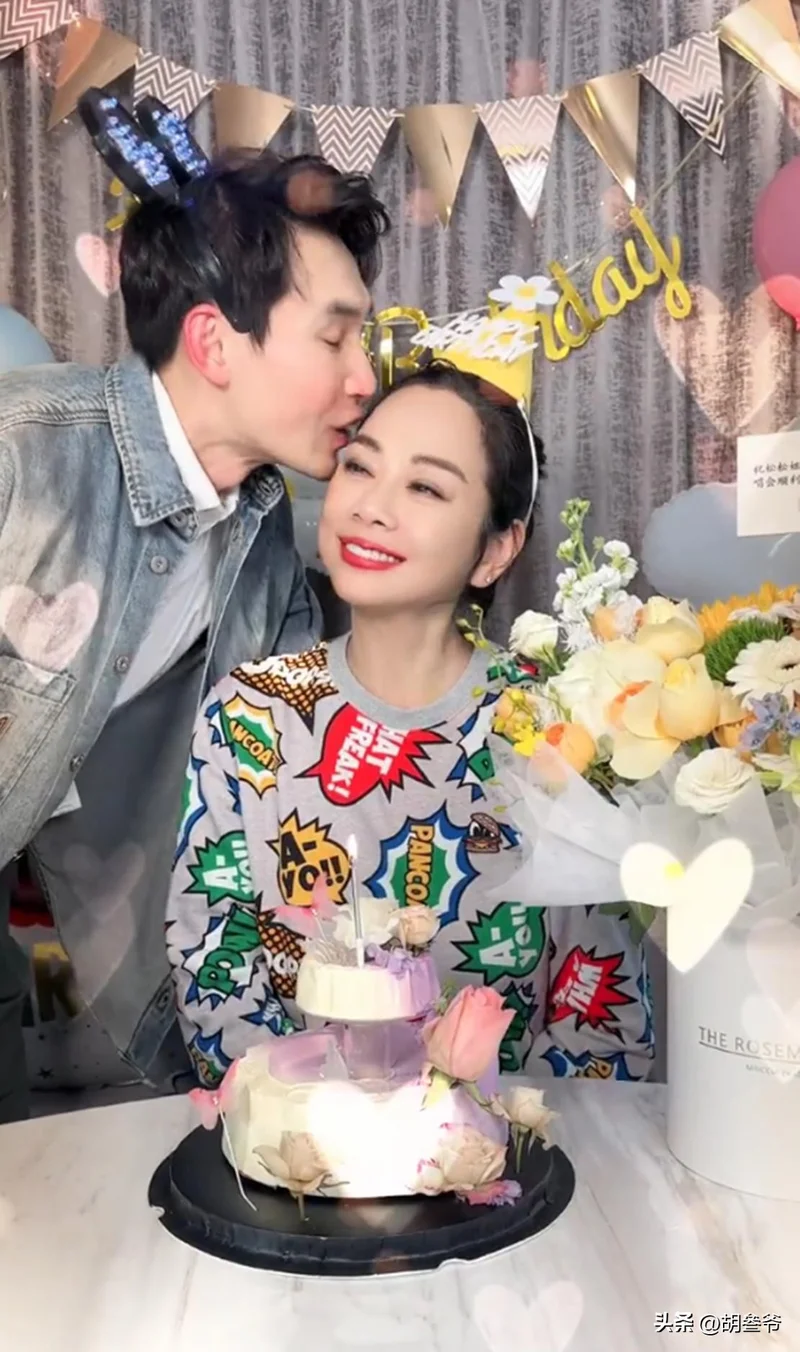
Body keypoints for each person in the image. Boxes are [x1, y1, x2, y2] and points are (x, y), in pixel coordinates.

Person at [0, 145, 390, 1123]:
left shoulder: (262, 537)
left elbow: (281, 782)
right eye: (335, 338)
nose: (364, 377)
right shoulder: (20, 455)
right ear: (214, 343)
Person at [167, 362, 655, 1086]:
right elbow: (215, 979)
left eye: (425, 487)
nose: (372, 506)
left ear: (496, 549)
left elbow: (599, 1030)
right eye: (360, 467)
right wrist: (315, 1129)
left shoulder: (556, 724)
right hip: (292, 1146)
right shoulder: (248, 714)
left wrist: (475, 1135)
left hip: (511, 1149)